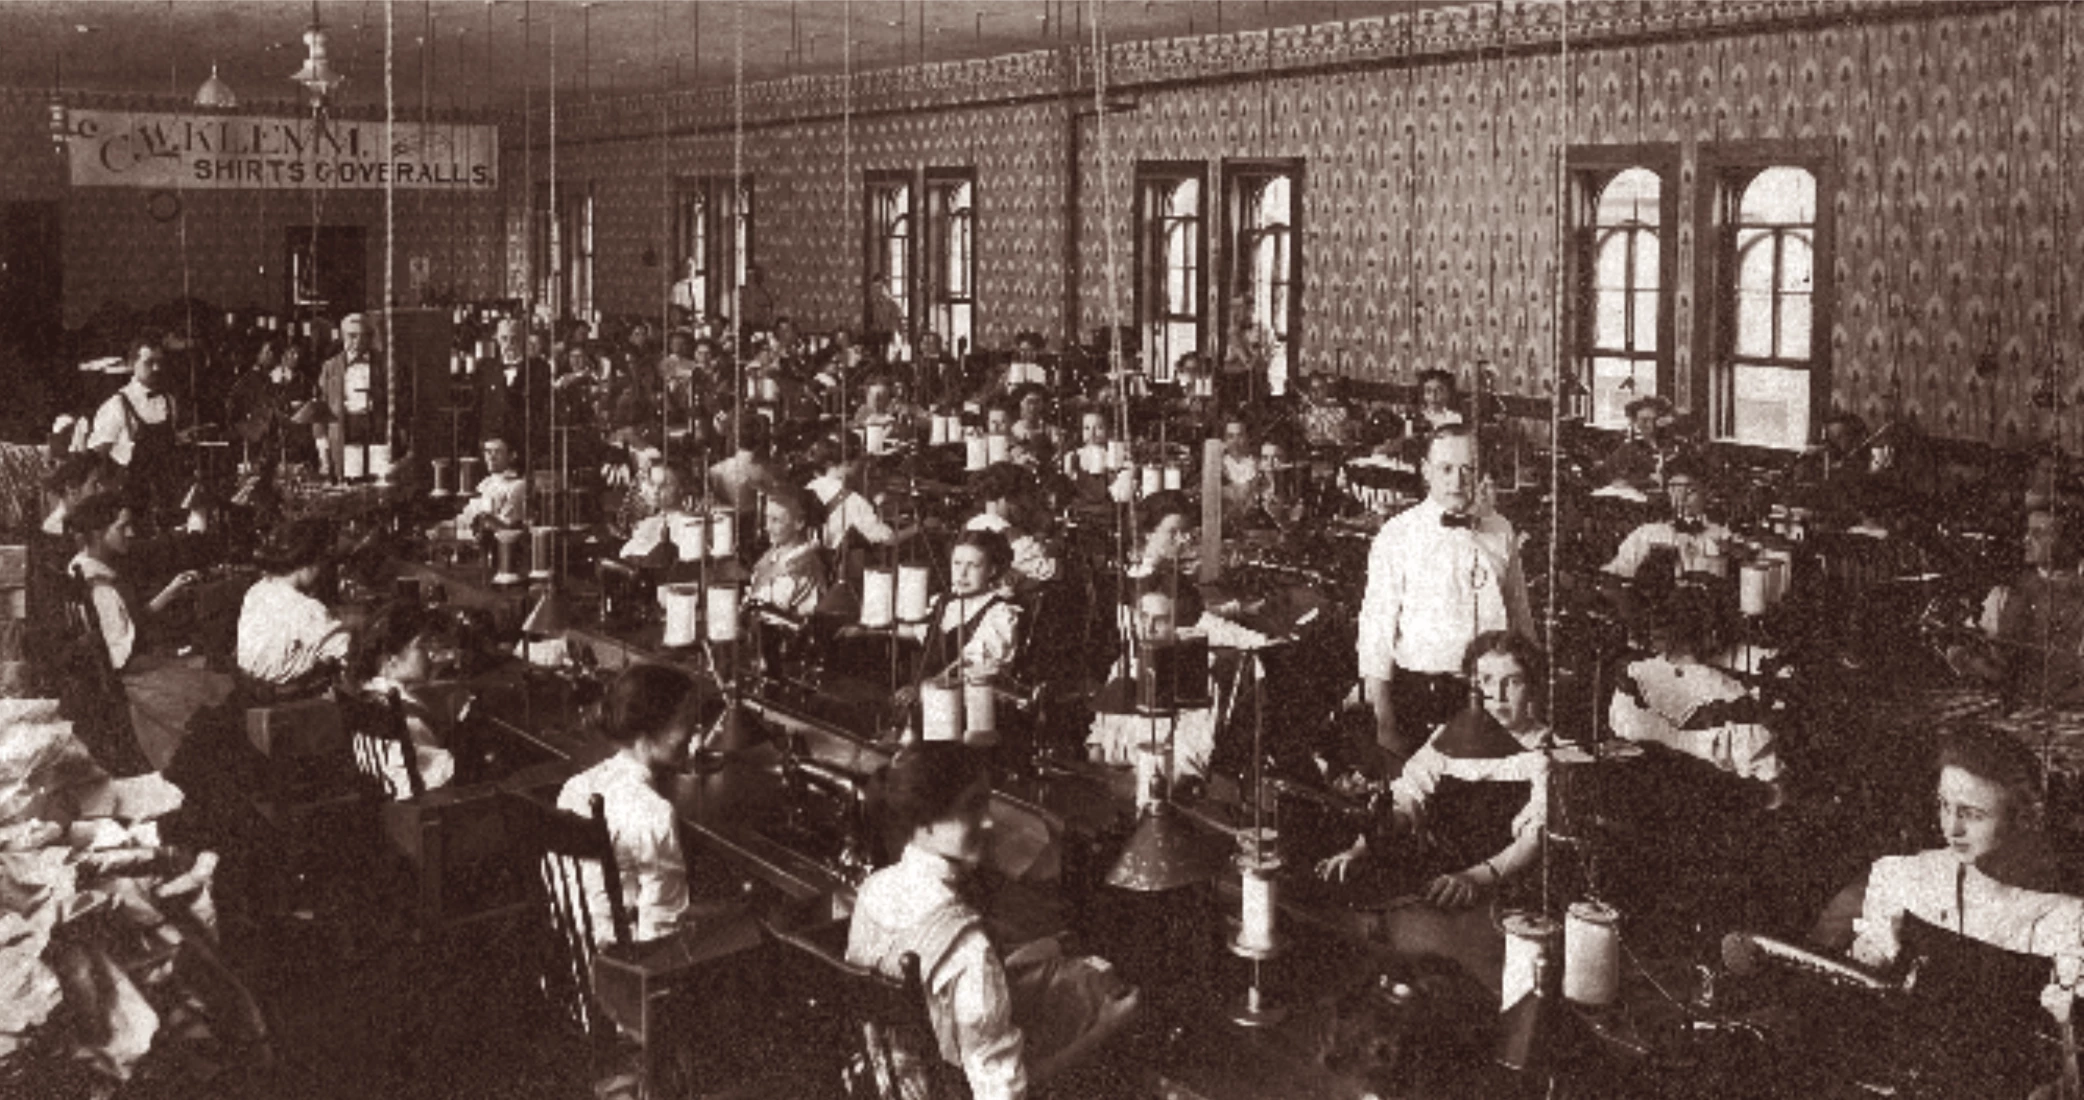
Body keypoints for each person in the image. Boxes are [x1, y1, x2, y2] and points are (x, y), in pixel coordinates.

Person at [847, 742, 1140, 1100]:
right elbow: (1003, 1097)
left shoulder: (873, 890)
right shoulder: (971, 952)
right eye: (971, 807)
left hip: (882, 1085)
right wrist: (1106, 1028)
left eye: (986, 802)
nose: (988, 820)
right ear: (923, 822)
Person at [1318, 631, 1553, 910]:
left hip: (1502, 892)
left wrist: (1473, 878)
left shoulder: (1546, 752)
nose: (1499, 695)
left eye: (1513, 681)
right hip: (1440, 885)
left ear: (1532, 687)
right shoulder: (1451, 735)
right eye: (1487, 681)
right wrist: (1362, 847)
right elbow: (1409, 796)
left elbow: (1534, 839)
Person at [1357, 425, 1534, 761]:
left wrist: (1532, 697)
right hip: (1425, 697)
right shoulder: (1398, 535)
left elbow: (1520, 614)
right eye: (1446, 469)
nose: (1457, 480)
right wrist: (1384, 723)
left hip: (1495, 696)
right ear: (1426, 470)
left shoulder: (1501, 530)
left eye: (1467, 469)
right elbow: (1375, 638)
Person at [557, 664, 742, 954]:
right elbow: (662, 932)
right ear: (647, 731)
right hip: (626, 969)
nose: (694, 735)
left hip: (574, 955)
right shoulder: (654, 814)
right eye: (684, 723)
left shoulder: (576, 787)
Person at [65, 491, 232, 771]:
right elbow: (124, 660)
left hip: (130, 672)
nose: (130, 533)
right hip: (135, 684)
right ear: (97, 532)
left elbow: (128, 626)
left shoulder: (80, 566)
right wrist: (181, 662)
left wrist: (170, 591)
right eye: (122, 527)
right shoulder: (100, 587)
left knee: (207, 670)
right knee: (221, 685)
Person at [1610, 588, 1784, 803]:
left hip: (1643, 800)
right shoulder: (1732, 696)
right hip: (1715, 809)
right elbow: (1773, 787)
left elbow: (1621, 733)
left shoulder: (1633, 675)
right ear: (1711, 635)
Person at [1950, 508, 2084, 707]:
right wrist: (1972, 663)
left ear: (2066, 541)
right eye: (2027, 532)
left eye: (2037, 533)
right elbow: (2005, 671)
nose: (2026, 540)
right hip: (2027, 710)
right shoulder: (2008, 594)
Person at [348, 601, 459, 797]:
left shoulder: (369, 694)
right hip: (417, 804)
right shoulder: (407, 716)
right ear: (390, 658)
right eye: (421, 646)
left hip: (385, 793)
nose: (430, 655)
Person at [235, 516, 349, 691]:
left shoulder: (256, 591)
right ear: (307, 564)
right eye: (319, 563)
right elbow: (346, 652)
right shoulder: (306, 609)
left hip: (249, 687)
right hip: (288, 697)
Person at [901, 530, 1022, 687]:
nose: (962, 573)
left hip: (968, 701)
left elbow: (972, 663)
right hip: (931, 697)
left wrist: (925, 688)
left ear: (991, 570)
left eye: (973, 566)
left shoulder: (999, 613)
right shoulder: (945, 602)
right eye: (957, 563)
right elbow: (922, 632)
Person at [87, 335, 187, 522]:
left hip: (165, 499)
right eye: (149, 363)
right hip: (130, 503)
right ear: (133, 364)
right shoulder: (116, 405)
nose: (156, 368)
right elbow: (97, 458)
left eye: (160, 362)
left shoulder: (169, 401)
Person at [1603, 459, 1732, 580]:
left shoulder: (1722, 535)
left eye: (1690, 491)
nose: (1681, 498)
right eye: (1675, 490)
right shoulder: (1648, 534)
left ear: (1705, 492)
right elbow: (1616, 573)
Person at [315, 313, 385, 479]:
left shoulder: (382, 364)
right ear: (342, 336)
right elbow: (319, 409)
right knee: (352, 481)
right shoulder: (331, 367)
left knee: (378, 481)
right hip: (345, 431)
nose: (358, 342)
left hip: (375, 431)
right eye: (352, 336)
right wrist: (322, 450)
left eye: (363, 336)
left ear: (370, 337)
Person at [475, 318, 552, 467]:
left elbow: (543, 411)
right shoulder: (486, 369)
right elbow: (478, 410)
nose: (509, 344)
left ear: (523, 340)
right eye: (504, 338)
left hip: (524, 449)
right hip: (492, 451)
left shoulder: (539, 369)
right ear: (496, 339)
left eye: (514, 339)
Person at [746, 486, 826, 620]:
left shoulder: (801, 565)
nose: (767, 527)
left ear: (799, 523)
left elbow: (775, 610)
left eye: (775, 520)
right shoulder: (773, 554)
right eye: (767, 519)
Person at [806, 438, 901, 550]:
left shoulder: (808, 488)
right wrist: (917, 527)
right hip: (831, 563)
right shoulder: (853, 501)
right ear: (847, 464)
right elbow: (888, 539)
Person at [1598, 394, 1678, 492]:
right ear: (1635, 421)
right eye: (1644, 421)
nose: (1650, 425)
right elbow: (1608, 476)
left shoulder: (1674, 447)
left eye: (1655, 420)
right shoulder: (1628, 449)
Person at [454, 435, 529, 533]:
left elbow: (508, 529)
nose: (491, 457)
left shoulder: (518, 486)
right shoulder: (485, 484)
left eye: (498, 452)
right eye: (488, 451)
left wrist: (483, 518)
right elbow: (466, 517)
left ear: (512, 456)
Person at [1414, 368, 1464, 433]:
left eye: (1439, 391)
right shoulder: (1417, 418)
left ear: (1448, 393)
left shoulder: (1455, 418)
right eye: (1428, 391)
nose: (1433, 396)